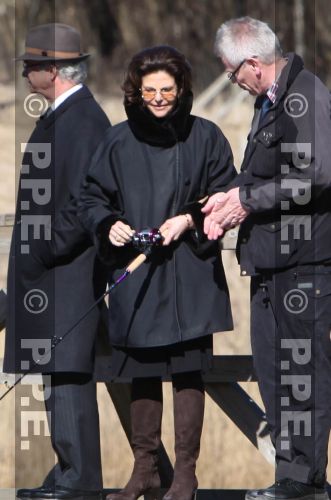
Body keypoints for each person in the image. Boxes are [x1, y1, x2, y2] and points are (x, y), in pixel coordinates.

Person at [78, 45, 237, 500]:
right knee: (141, 372)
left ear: (182, 88)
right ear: (136, 90)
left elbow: (226, 194)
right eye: (149, 90)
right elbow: (91, 199)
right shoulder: (117, 140)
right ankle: (145, 469)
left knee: (189, 372)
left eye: (167, 89)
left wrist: (187, 218)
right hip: (137, 271)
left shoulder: (205, 136)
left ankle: (185, 474)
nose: (159, 98)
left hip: (189, 270)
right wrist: (109, 225)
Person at [203, 16, 331, 500]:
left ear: (253, 64)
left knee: (302, 373)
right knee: (274, 372)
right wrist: (226, 198)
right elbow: (261, 174)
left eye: (232, 73)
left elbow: (316, 172)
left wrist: (248, 202)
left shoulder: (306, 95)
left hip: (305, 265)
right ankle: (287, 477)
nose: (232, 82)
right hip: (269, 264)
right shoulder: (267, 103)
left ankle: (303, 481)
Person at [3, 23, 110, 499]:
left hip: (67, 272)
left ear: (54, 69)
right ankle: (67, 469)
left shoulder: (84, 121)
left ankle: (80, 479)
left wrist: (44, 247)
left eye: (31, 65)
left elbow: (86, 199)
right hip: (51, 274)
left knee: (68, 371)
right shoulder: (62, 117)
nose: (25, 72)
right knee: (55, 371)